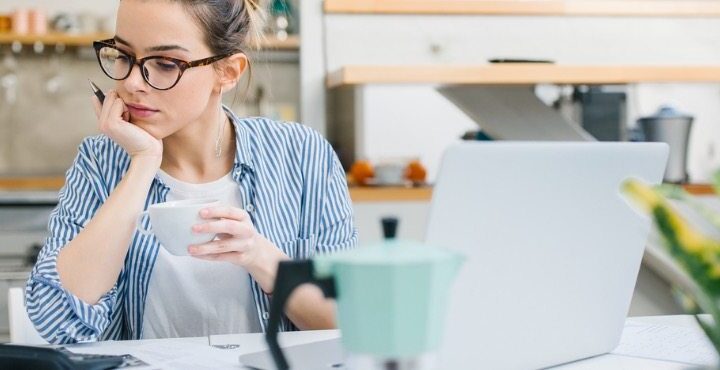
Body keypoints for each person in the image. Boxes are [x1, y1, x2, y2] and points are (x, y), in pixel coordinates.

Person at [25, 0, 357, 344]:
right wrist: (142, 163)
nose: (133, 82)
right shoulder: (100, 162)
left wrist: (259, 256)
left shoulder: (302, 156)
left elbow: (349, 321)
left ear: (227, 72)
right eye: (123, 56)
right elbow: (57, 320)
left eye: (165, 64)